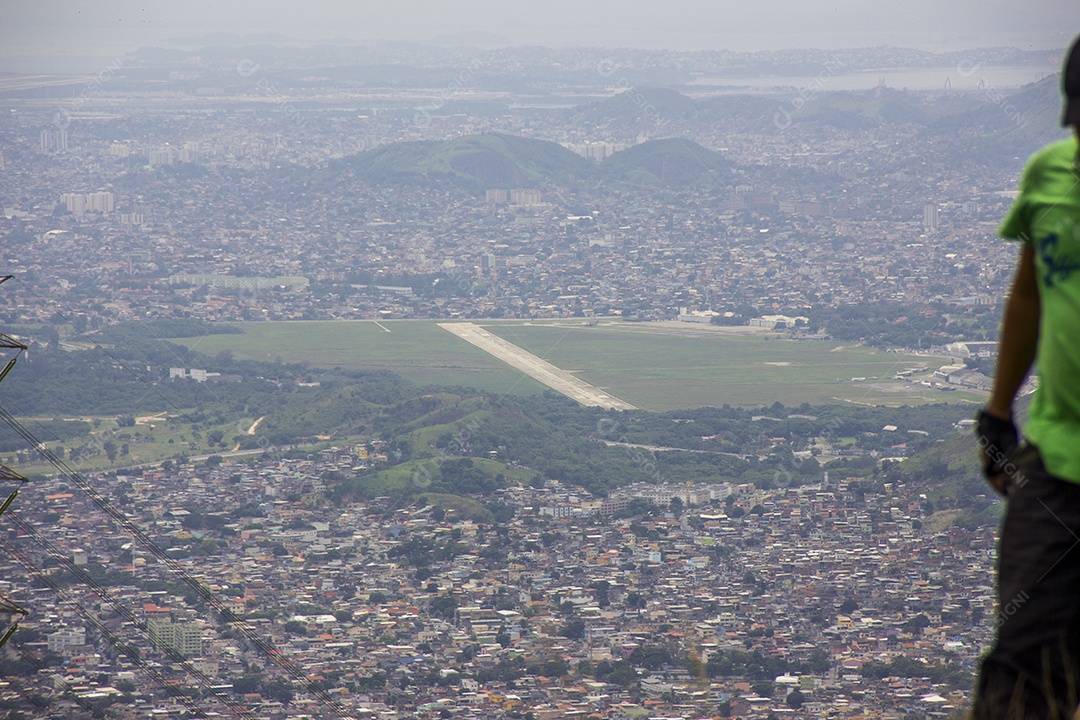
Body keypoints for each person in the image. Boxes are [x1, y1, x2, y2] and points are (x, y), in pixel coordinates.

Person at [972, 35, 1080, 719]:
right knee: (1020, 664)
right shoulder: (1050, 176)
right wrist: (998, 411)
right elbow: (1030, 294)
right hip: (1059, 463)